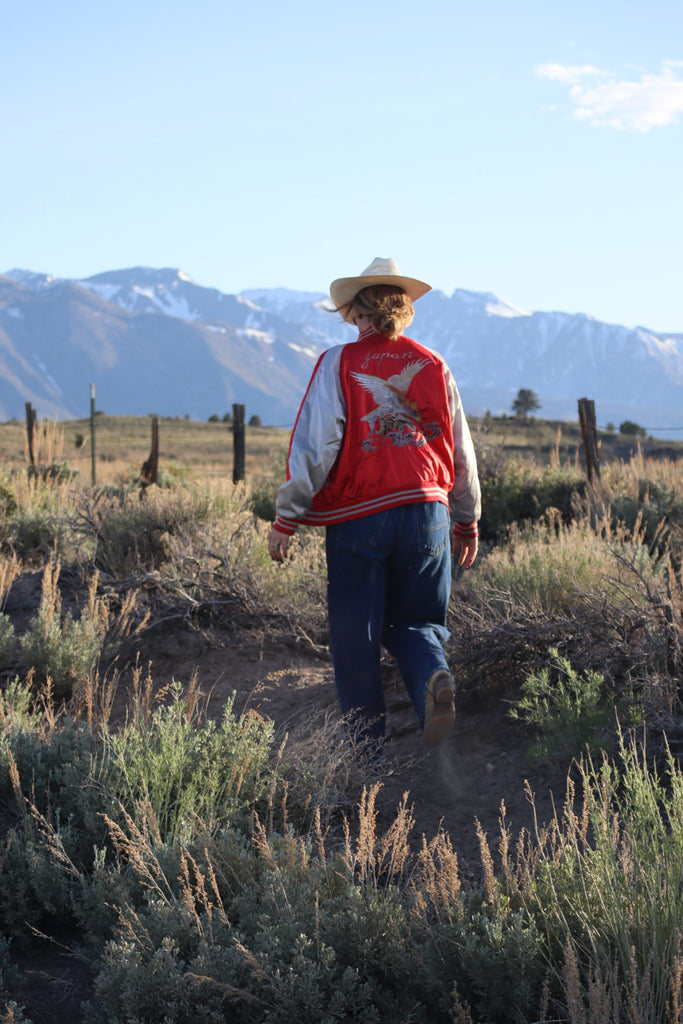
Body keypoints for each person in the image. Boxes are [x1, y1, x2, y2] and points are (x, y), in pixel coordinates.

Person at [268, 257, 481, 753]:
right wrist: (467, 520)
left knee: (355, 634)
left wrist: (288, 515)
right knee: (418, 623)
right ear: (403, 310)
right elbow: (461, 452)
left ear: (354, 310)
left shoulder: (338, 363)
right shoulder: (433, 364)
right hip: (429, 512)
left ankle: (367, 754)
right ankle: (433, 683)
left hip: (360, 514)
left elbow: (315, 444)